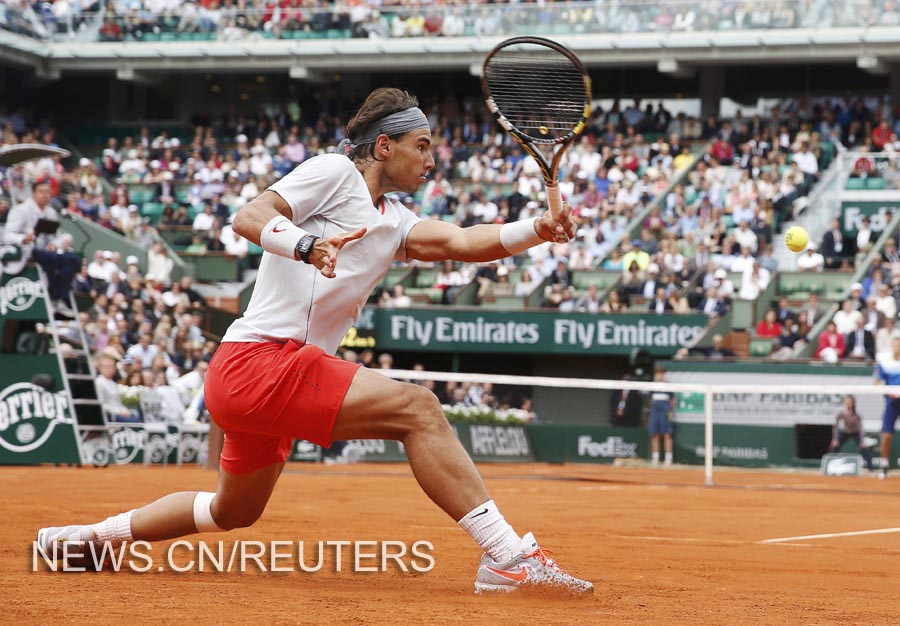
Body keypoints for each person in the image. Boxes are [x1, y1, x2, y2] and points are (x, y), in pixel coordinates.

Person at [37, 88, 591, 594]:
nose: (430, 160)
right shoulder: (333, 172)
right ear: (383, 145)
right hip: (259, 362)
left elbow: (461, 241)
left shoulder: (393, 219)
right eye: (421, 147)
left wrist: (539, 230)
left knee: (233, 511)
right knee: (418, 409)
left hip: (257, 377)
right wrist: (307, 246)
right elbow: (249, 215)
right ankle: (505, 556)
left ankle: (83, 539)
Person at [3, 179, 81, 316]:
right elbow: (7, 235)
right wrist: (23, 238)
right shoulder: (21, 210)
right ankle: (56, 298)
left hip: (46, 252)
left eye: (48, 192)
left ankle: (57, 298)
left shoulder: (50, 212)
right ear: (33, 193)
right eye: (41, 191)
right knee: (70, 260)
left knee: (73, 260)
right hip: (28, 251)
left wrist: (56, 243)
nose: (45, 195)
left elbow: (55, 236)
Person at [875, 337, 900, 479]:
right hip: (891, 403)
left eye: (899, 345)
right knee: (887, 434)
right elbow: (877, 382)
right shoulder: (885, 363)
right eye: (895, 344)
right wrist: (888, 392)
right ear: (892, 346)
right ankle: (884, 464)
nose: (897, 347)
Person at [827, 395, 874, 472]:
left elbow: (861, 429)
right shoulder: (841, 413)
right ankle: (829, 466)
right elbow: (836, 426)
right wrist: (835, 439)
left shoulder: (857, 415)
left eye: (850, 401)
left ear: (853, 403)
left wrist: (862, 441)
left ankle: (871, 469)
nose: (848, 403)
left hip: (855, 433)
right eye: (846, 401)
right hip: (845, 432)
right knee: (834, 447)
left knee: (864, 449)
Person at [648, 367, 674, 466]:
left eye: (661, 373)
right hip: (655, 412)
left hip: (665, 412)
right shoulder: (652, 386)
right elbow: (650, 401)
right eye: (658, 373)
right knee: (655, 434)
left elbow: (672, 401)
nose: (659, 375)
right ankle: (655, 457)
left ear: (664, 374)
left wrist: (668, 411)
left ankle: (668, 458)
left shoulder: (668, 386)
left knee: (667, 434)